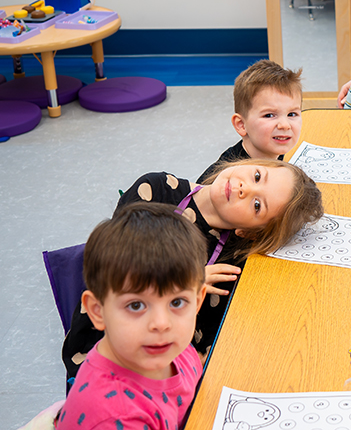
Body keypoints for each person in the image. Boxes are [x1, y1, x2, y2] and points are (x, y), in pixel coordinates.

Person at [62, 159, 323, 389]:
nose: (245, 188)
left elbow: (204, 344)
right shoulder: (155, 189)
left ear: (249, 233)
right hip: (104, 347)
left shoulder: (229, 263)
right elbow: (117, 267)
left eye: (257, 205)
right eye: (256, 176)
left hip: (159, 367)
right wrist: (186, 281)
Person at [55, 203, 208, 429]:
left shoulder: (173, 348)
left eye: (177, 302)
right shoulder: (117, 418)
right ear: (97, 311)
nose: (161, 324)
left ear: (198, 301)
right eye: (136, 305)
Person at [197, 59, 303, 183]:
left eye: (292, 114)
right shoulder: (234, 183)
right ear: (241, 125)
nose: (285, 125)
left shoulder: (270, 148)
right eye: (269, 115)